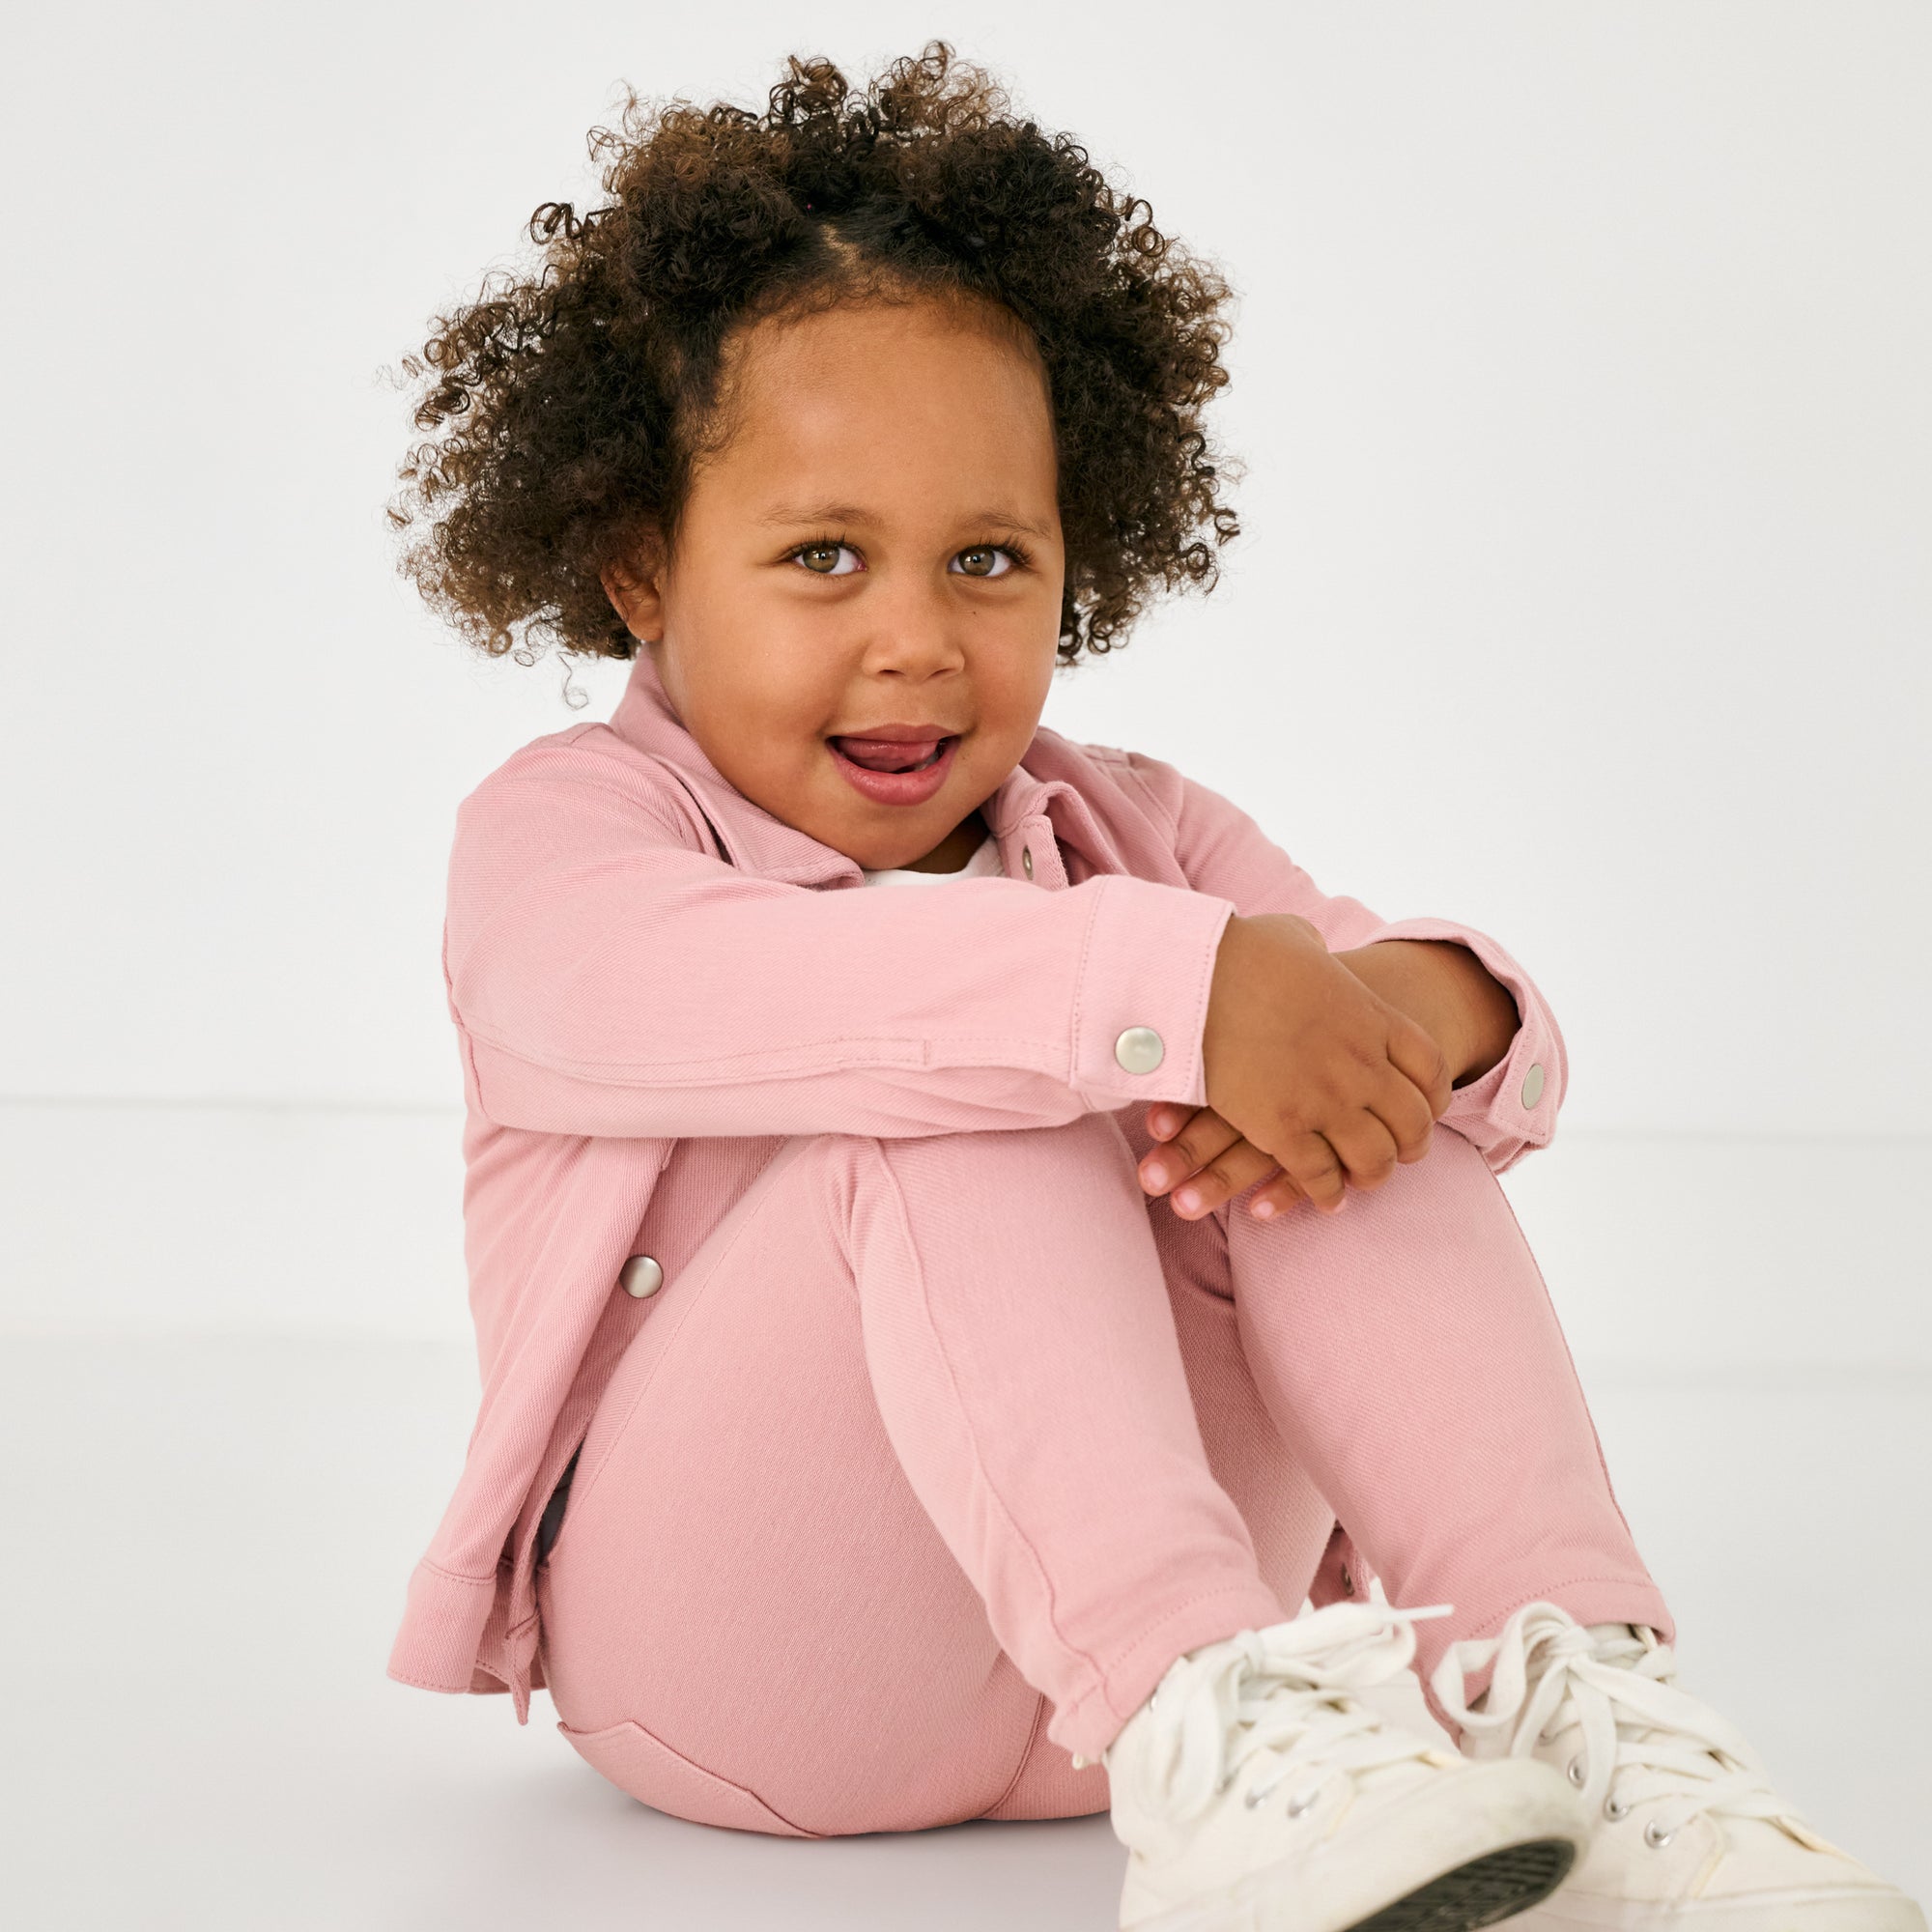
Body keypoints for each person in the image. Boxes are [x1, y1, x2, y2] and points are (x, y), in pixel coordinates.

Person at [382, 44, 1923, 1932]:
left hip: (1207, 1713)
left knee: (1338, 1088)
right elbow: (690, 995)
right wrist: (1175, 993)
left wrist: (1404, 1016)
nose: (915, 640)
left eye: (987, 560)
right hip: (747, 1671)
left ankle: (1564, 1688)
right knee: (970, 1058)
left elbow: (1450, 1057)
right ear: (640, 564)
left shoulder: (1138, 831)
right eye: (820, 558)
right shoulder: (566, 841)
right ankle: (1198, 1722)